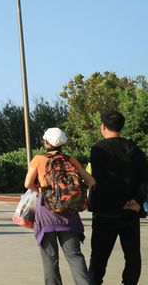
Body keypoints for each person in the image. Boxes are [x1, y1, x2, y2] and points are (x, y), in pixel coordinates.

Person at [24, 127, 96, 285]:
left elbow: (27, 183)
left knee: (50, 259)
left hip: (46, 213)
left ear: (46, 142)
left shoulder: (38, 159)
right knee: (75, 256)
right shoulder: (70, 160)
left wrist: (41, 191)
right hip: (69, 214)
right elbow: (91, 182)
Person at [88, 110, 147, 285]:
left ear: (103, 126)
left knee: (99, 254)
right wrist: (136, 200)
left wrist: (119, 202)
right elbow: (144, 179)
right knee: (132, 255)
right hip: (131, 212)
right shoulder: (136, 150)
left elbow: (100, 181)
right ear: (121, 127)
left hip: (106, 212)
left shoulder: (98, 149)